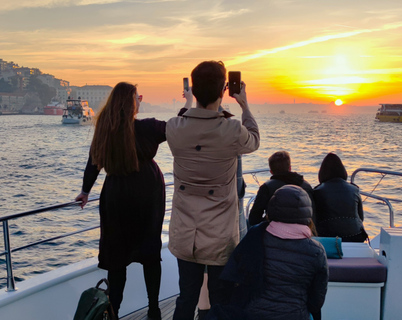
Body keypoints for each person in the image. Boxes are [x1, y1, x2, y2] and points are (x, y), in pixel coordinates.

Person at [75, 82, 189, 319]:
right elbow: (178, 127)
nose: (141, 99)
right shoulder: (147, 128)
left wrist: (85, 190)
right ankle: (154, 310)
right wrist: (188, 102)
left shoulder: (105, 131)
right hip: (147, 196)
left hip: (116, 197)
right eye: (138, 96)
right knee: (150, 254)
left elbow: (93, 162)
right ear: (131, 102)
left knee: (117, 257)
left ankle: (114, 311)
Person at [166, 61, 260, 320]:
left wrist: (187, 103)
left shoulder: (173, 128)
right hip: (220, 236)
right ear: (223, 91)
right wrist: (244, 104)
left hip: (186, 233)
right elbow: (254, 139)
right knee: (220, 301)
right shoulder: (231, 130)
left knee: (186, 298)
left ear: (194, 90)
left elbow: (184, 120)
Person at [217, 185, 329, 320]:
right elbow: (316, 302)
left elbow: (232, 277)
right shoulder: (316, 251)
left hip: (252, 314)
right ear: (307, 215)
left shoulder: (255, 237)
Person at [248, 150, 314, 226]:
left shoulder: (266, 188)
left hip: (276, 232)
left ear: (271, 171)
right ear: (290, 168)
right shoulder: (306, 186)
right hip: (305, 230)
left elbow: (254, 219)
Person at [313, 152, 368, 242]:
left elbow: (314, 219)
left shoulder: (317, 191)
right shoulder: (354, 189)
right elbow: (361, 218)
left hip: (327, 236)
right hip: (355, 235)